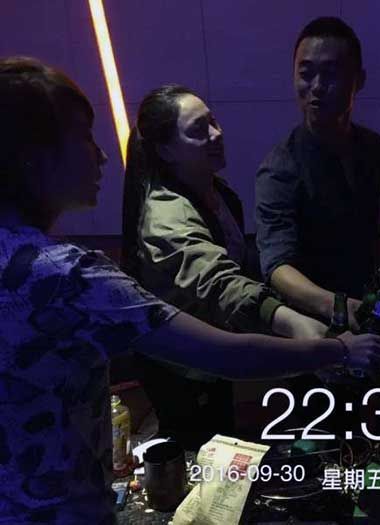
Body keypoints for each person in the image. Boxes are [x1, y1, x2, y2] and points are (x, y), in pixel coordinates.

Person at [0, 56, 380, 524]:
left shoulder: (219, 194)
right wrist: (335, 348)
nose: (101, 154)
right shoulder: (66, 275)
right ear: (33, 154)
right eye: (83, 135)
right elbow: (224, 338)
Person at [121, 85, 330, 447]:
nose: (216, 134)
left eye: (213, 122)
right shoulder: (166, 217)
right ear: (165, 151)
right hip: (181, 368)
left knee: (224, 446)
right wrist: (292, 322)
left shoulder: (217, 191)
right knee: (200, 456)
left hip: (210, 356)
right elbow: (219, 283)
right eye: (198, 130)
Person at [255, 16, 380, 326]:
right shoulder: (280, 167)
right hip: (311, 321)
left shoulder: (372, 146)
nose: (316, 87)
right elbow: (277, 267)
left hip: (368, 302)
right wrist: (339, 307)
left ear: (359, 80)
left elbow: (372, 231)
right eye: (305, 74)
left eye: (330, 74)